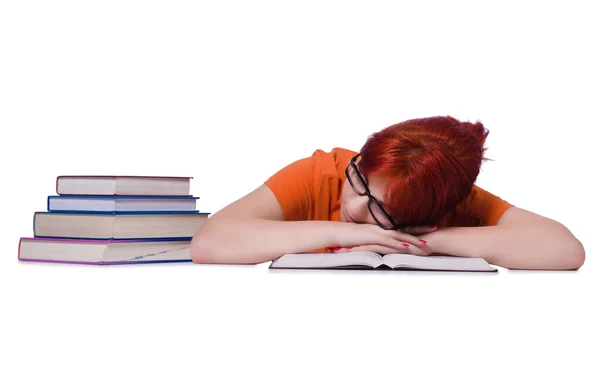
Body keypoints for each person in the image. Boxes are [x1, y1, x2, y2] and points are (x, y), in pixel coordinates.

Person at [191, 116, 585, 270]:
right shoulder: (323, 172)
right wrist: (350, 233)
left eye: (378, 208)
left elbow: (565, 250)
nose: (353, 203)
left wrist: (425, 240)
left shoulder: (454, 199)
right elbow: (209, 243)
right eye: (360, 177)